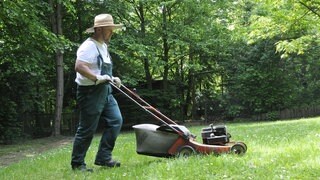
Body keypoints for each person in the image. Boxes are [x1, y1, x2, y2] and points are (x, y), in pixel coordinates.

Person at [71, 14, 124, 172]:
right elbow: (80, 66)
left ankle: (103, 157)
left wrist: (112, 78)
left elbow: (100, 68)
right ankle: (77, 163)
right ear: (99, 29)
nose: (112, 33)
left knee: (116, 120)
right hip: (90, 92)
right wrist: (96, 78)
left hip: (105, 91)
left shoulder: (103, 46)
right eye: (109, 30)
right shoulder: (88, 46)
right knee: (87, 129)